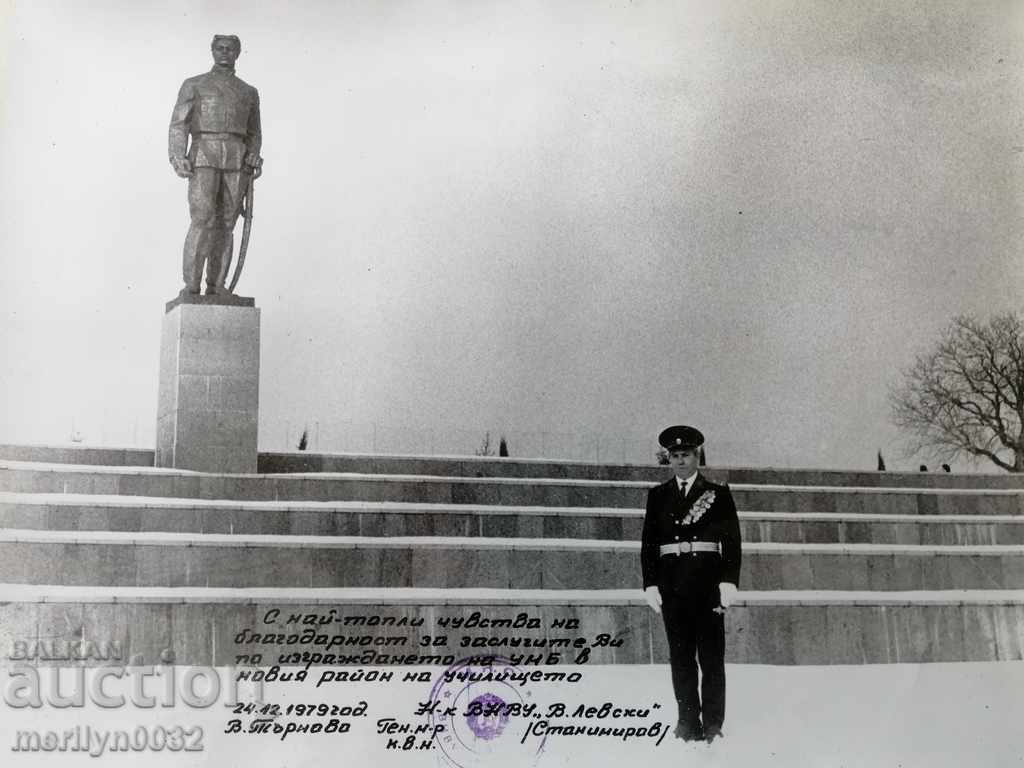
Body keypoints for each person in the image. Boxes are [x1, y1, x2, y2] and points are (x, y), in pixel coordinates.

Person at [641, 425, 742, 744]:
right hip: (672, 587)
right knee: (681, 659)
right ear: (668, 459)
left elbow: (732, 542)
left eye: (686, 455)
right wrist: (650, 584)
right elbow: (649, 544)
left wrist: (729, 581)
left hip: (708, 585)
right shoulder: (657, 496)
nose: (681, 461)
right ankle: (687, 721)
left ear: (697, 456)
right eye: (675, 455)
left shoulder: (718, 494)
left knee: (711, 659)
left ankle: (713, 723)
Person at [168, 34, 262, 296]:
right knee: (202, 218)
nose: (224, 53)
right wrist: (178, 156)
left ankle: (217, 285)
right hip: (203, 155)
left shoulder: (248, 92)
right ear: (212, 51)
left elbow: (254, 133)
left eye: (230, 49)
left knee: (227, 222)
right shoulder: (194, 85)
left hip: (236, 159)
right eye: (219, 48)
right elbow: (179, 124)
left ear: (237, 53)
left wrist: (254, 154)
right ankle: (191, 285)